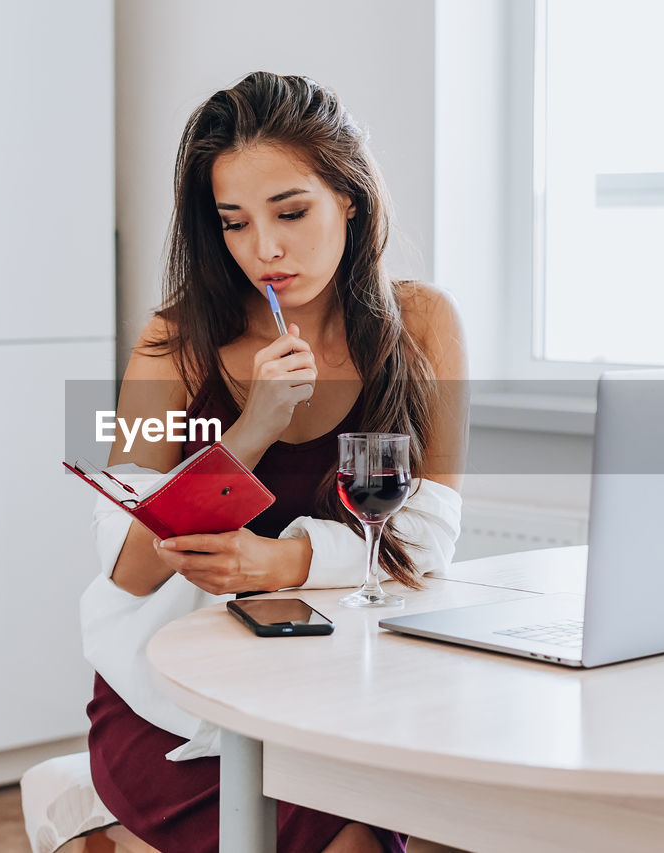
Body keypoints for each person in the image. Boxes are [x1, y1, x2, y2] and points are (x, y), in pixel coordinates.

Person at [80, 71, 468, 852]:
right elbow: (128, 567)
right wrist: (249, 431)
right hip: (172, 696)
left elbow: (428, 540)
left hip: (336, 685)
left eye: (291, 211)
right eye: (234, 223)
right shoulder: (174, 342)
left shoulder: (421, 323)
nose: (265, 249)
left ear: (350, 197)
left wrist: (282, 561)